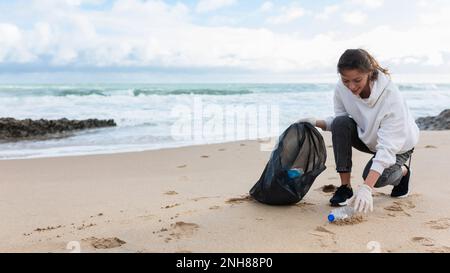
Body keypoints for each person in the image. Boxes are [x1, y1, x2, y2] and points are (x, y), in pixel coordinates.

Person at [299, 49, 419, 213]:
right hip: (368, 139)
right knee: (341, 123)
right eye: (345, 80)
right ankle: (345, 187)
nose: (351, 86)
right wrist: (316, 122)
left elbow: (387, 148)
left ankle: (403, 172)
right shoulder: (342, 88)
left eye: (357, 80)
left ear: (369, 72)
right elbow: (341, 123)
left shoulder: (391, 98)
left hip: (399, 145)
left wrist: (366, 188)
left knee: (376, 179)